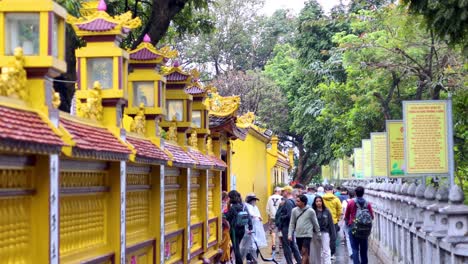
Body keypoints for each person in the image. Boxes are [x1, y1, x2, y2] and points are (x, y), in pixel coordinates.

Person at [344, 186, 374, 264]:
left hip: (353, 227)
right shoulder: (367, 203)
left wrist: (347, 223)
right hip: (364, 229)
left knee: (355, 249)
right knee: (364, 249)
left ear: (355, 193)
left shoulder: (351, 202)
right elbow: (372, 216)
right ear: (363, 193)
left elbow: (346, 216)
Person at [288, 194, 321, 264]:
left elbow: (315, 223)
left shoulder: (311, 211)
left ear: (303, 202)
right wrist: (290, 234)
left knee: (304, 251)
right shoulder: (294, 210)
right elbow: (292, 223)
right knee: (304, 253)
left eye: (298, 201)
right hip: (298, 235)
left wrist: (318, 234)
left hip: (307, 235)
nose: (296, 202)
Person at [275, 186, 302, 264]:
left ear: (287, 192)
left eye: (283, 191)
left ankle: (290, 262)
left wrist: (281, 217)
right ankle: (299, 261)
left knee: (287, 246)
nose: (282, 193)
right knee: (293, 245)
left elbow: (290, 215)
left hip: (286, 227)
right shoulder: (292, 201)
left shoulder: (288, 202)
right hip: (289, 227)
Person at [224, 190, 253, 264]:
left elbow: (227, 217)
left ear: (232, 198)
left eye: (229, 197)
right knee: (237, 247)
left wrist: (222, 214)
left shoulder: (233, 207)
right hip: (242, 229)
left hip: (234, 230)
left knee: (236, 248)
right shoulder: (243, 206)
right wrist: (250, 226)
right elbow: (248, 216)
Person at [312, 196, 336, 264]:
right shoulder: (312, 211)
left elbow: (331, 223)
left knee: (326, 250)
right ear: (315, 202)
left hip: (325, 232)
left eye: (320, 201)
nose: (318, 203)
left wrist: (333, 235)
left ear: (322, 202)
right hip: (315, 233)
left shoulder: (327, 211)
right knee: (317, 251)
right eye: (317, 201)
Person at [322, 185, 342, 259]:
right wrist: (337, 218)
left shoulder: (322, 199)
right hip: (334, 221)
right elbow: (340, 210)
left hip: (323, 221)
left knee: (324, 237)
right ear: (332, 190)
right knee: (333, 238)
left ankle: (325, 252)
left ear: (325, 190)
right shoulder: (336, 199)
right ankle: (332, 254)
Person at [266, 186, 283, 252]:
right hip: (280, 217)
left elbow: (267, 208)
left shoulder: (270, 198)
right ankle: (280, 244)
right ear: (278, 191)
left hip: (272, 216)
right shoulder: (281, 198)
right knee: (279, 230)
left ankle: (273, 244)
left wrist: (269, 216)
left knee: (273, 230)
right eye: (280, 191)